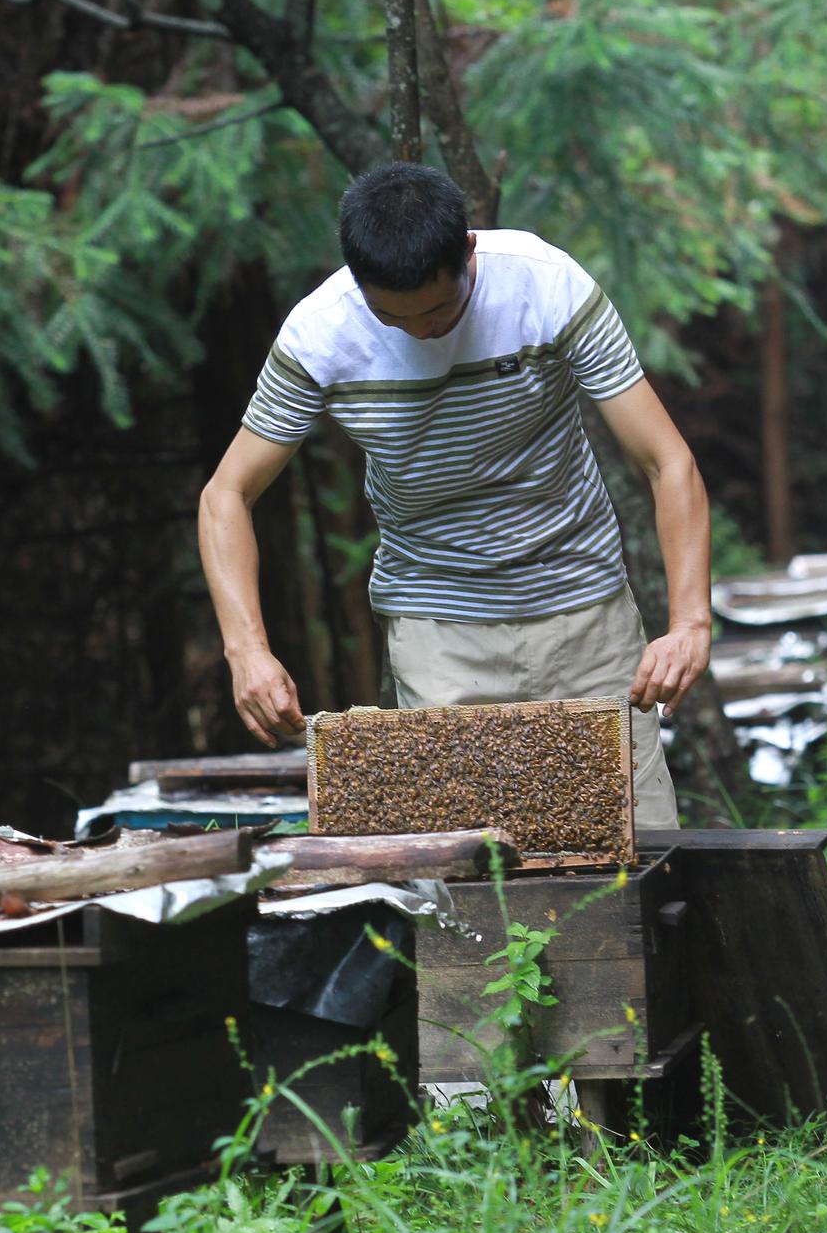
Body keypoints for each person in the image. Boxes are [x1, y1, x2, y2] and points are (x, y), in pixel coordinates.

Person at [197, 162, 711, 829]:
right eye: (393, 315)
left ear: (469, 250)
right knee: (469, 867)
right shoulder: (320, 335)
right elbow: (226, 494)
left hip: (583, 609)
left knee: (634, 844)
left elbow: (666, 460)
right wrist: (247, 651)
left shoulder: (545, 284)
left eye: (440, 308)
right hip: (438, 627)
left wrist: (690, 620)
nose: (421, 331)